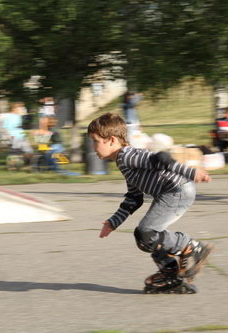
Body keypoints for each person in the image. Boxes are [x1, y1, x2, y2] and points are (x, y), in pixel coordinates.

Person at [87, 113, 213, 293]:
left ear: (112, 140)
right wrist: (113, 222)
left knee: (147, 232)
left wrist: (191, 173)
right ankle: (170, 273)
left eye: (95, 141)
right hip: (168, 194)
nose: (93, 147)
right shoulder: (123, 162)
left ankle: (192, 247)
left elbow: (161, 160)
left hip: (177, 191)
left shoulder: (127, 156)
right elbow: (134, 198)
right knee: (144, 237)